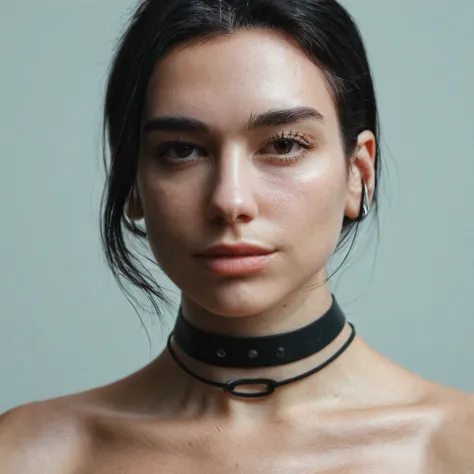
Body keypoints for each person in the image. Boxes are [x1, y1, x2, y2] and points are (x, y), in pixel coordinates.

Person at [1, 0, 473, 472]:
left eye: (284, 145)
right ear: (133, 185)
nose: (230, 201)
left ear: (357, 172)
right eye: (182, 150)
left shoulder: (452, 447)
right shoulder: (33, 453)